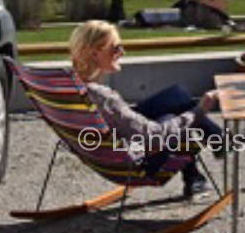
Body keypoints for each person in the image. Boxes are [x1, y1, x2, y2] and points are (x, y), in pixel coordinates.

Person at [69, 20, 224, 198]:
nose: (122, 52)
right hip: (133, 160)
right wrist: (199, 110)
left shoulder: (71, 85)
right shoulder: (103, 97)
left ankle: (206, 160)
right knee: (176, 119)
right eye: (115, 48)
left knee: (177, 96)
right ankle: (212, 150)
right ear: (95, 53)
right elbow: (152, 135)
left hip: (107, 148)